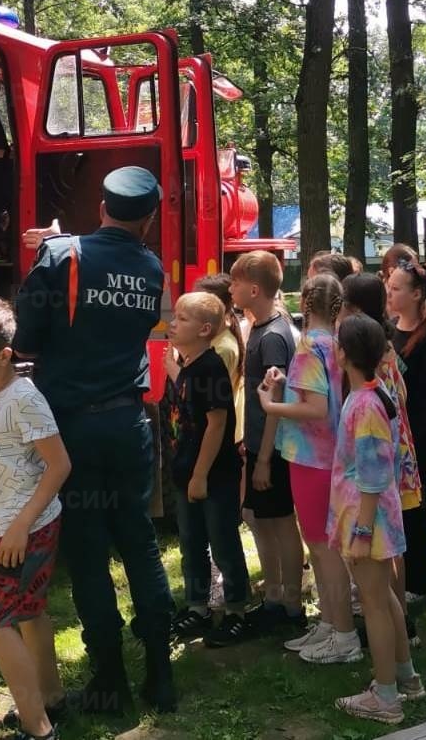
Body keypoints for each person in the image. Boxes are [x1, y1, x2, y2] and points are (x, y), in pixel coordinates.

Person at [13, 165, 176, 716]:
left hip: (73, 428)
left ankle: (109, 679)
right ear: (148, 220)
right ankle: (161, 673)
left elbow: (27, 336)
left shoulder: (63, 255)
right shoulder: (151, 268)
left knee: (87, 554)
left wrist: (48, 252)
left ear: (102, 208)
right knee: (139, 543)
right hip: (130, 424)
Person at [0, 300, 70, 740]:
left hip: (27, 527)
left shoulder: (25, 399)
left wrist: (21, 525)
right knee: (28, 614)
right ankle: (53, 699)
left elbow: (59, 466)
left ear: (5, 355)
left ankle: (37, 728)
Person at [260, 274, 362, 664]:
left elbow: (315, 409)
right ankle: (332, 623)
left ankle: (343, 634)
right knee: (322, 548)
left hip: (312, 458)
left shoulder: (308, 347)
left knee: (322, 549)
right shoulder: (335, 344)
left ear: (305, 303)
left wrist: (272, 405)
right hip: (329, 456)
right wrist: (289, 385)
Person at [331, 315, 420, 725]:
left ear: (345, 354)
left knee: (374, 604)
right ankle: (406, 679)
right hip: (376, 514)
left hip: (369, 519)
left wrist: (363, 531)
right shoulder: (374, 391)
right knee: (383, 597)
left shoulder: (365, 403)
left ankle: (385, 698)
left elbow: (372, 473)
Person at [163, 292, 252, 647]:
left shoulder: (211, 367)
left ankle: (236, 611)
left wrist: (201, 474)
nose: (173, 323)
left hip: (214, 477)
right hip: (186, 473)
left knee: (223, 541)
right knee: (191, 541)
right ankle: (197, 606)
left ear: (204, 329)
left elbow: (217, 425)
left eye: (182, 319)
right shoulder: (187, 365)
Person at [341, 272, 424, 645]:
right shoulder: (384, 344)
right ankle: (399, 618)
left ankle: (393, 618)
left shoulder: (361, 345)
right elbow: (402, 394)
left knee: (388, 543)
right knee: (395, 540)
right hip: (397, 440)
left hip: (379, 448)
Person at [230, 250, 305, 633]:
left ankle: (291, 606)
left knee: (281, 523)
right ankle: (274, 597)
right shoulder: (261, 328)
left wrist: (262, 460)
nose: (230, 288)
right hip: (261, 445)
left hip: (272, 449)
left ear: (254, 288)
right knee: (264, 519)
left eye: (235, 282)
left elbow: (277, 401)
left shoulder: (273, 337)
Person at [386, 257, 426, 602]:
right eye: (389, 287)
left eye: (396, 289)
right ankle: (403, 573)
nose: (390, 294)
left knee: (415, 510)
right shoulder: (393, 330)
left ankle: (419, 582)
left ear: (417, 294)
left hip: (417, 439)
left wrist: (422, 445)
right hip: (392, 433)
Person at [194, 274, 246, 444]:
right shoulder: (218, 341)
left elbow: (201, 396)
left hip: (218, 438)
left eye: (198, 303)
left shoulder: (222, 349)